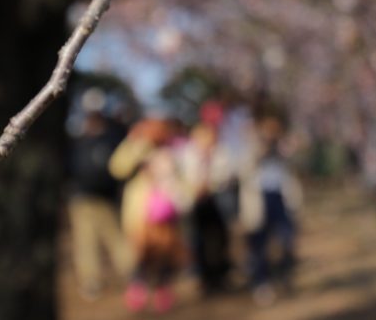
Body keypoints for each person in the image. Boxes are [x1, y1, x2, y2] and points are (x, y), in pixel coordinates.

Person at [110, 117, 190, 314]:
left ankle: (163, 291)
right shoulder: (137, 149)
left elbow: (183, 181)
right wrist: (134, 143)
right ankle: (137, 291)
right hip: (139, 216)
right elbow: (117, 168)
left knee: (165, 256)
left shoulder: (171, 152)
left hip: (166, 217)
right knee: (140, 256)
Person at [68, 91, 132, 299]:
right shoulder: (80, 138)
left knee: (115, 239)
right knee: (85, 243)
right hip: (81, 199)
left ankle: (132, 274)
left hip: (106, 199)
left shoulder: (113, 136)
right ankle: (91, 281)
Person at [238, 112, 301, 305]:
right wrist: (259, 150)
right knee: (259, 245)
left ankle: (283, 275)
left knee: (287, 239)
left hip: (282, 198)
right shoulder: (250, 148)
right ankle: (261, 282)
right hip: (258, 201)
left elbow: (297, 166)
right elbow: (242, 170)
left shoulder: (283, 149)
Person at [181, 103, 236, 294]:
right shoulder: (189, 153)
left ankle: (220, 275)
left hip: (218, 202)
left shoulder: (221, 152)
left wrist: (210, 180)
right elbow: (186, 176)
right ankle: (203, 277)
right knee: (198, 241)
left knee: (219, 239)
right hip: (197, 204)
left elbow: (226, 175)